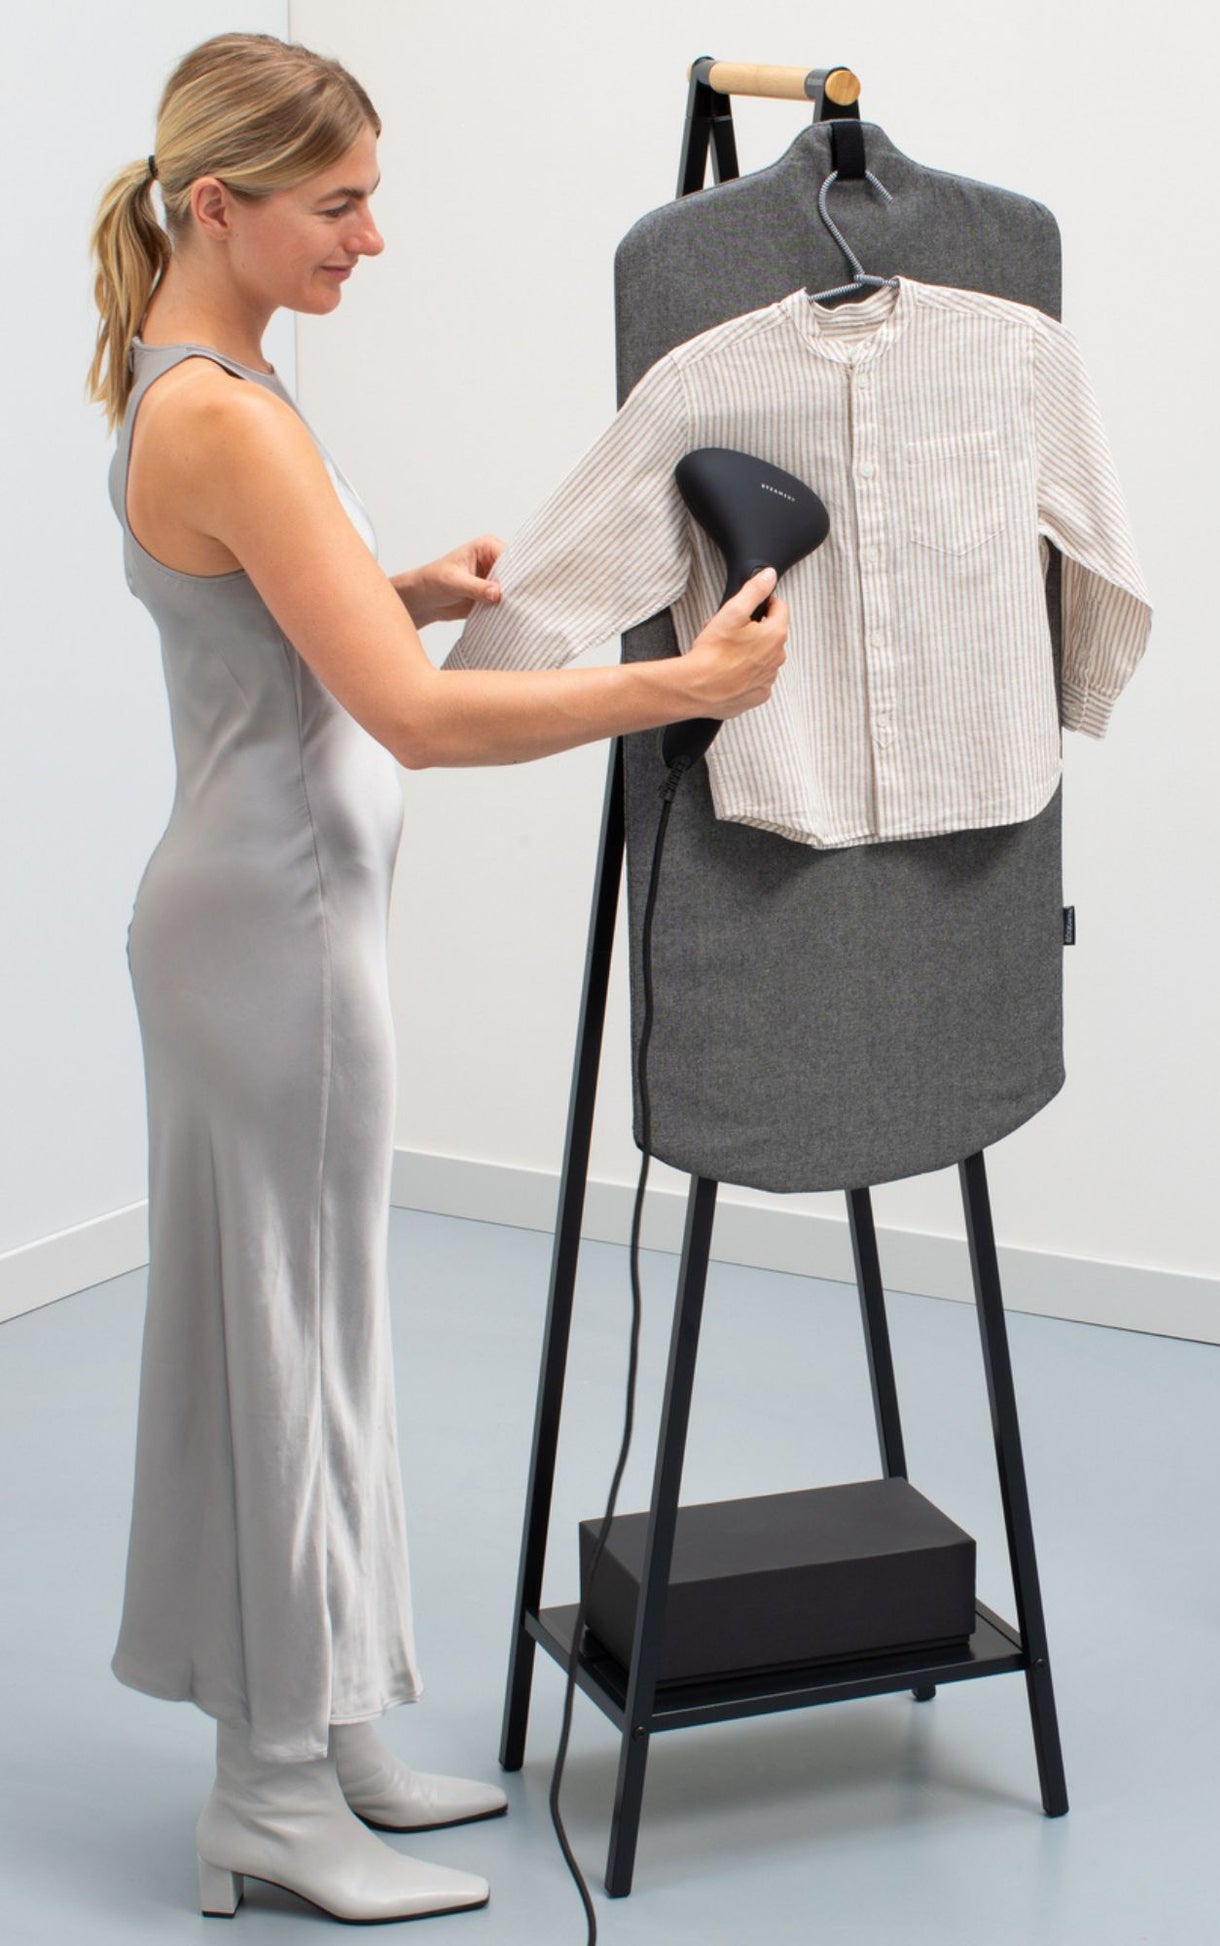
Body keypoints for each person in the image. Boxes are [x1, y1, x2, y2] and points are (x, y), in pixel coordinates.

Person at [86, 30, 787, 1926]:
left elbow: (259, 628)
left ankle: (332, 1730)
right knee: (282, 1352)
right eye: (339, 204)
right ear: (217, 203)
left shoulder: (204, 378)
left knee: (324, 1337)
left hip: (272, 920)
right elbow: (412, 724)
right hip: (272, 937)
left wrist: (389, 588)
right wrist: (685, 684)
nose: (371, 238)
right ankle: (266, 1790)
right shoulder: (226, 413)